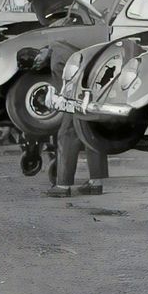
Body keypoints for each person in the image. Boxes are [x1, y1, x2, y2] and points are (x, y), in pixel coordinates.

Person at [44, 41, 107, 197]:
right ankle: (96, 183)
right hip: (96, 86)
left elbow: (64, 92)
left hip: (78, 94)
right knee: (91, 131)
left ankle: (63, 186)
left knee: (66, 134)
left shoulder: (57, 57)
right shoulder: (64, 44)